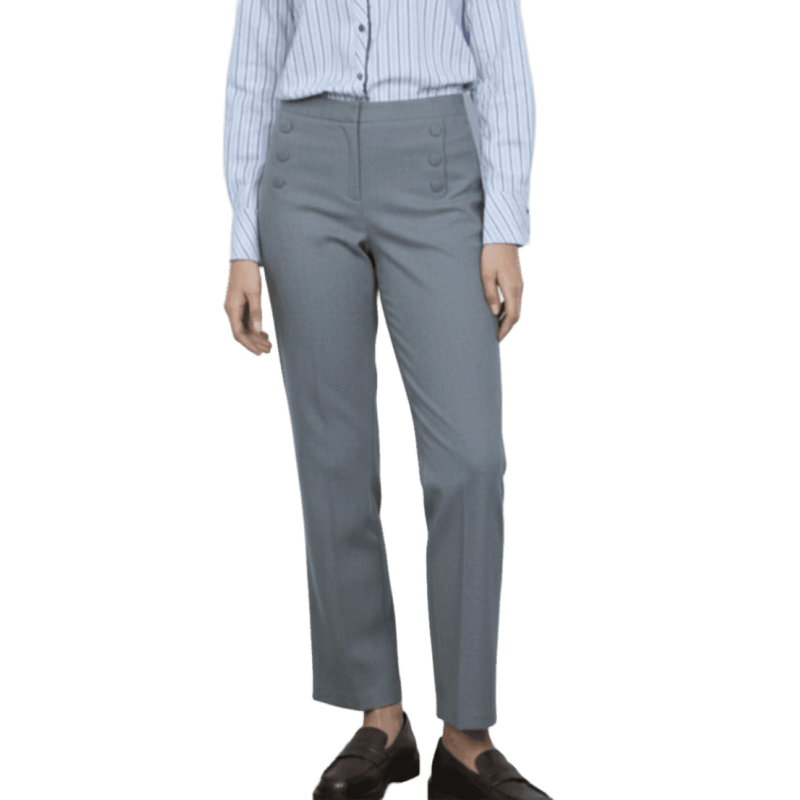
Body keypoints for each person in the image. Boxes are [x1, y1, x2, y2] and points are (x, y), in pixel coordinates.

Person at [222, 1, 544, 798]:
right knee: (333, 458)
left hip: (437, 161)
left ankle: (466, 739)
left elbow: (504, 55)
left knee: (471, 460)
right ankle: (381, 719)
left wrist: (504, 223)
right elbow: (255, 58)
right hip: (303, 166)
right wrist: (242, 243)